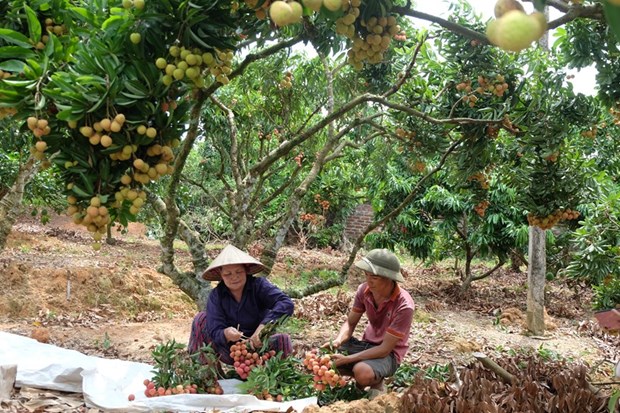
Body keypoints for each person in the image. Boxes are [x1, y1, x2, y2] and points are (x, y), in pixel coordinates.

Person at [322, 248, 415, 399]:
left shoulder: (404, 305)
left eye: (374, 277)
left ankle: (376, 381)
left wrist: (349, 359)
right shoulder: (364, 290)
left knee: (362, 372)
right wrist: (338, 340)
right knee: (324, 358)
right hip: (365, 344)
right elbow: (350, 323)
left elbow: (385, 349)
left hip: (388, 354)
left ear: (389, 278)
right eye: (366, 275)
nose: (368, 281)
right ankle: (364, 377)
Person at [188, 244, 295, 365]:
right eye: (228, 274)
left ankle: (276, 379)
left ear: (246, 270)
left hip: (260, 347)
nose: (234, 277)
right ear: (221, 275)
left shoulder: (259, 285)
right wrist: (226, 334)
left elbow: (286, 303)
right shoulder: (217, 295)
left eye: (238, 271)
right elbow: (215, 330)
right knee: (200, 319)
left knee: (283, 339)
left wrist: (262, 328)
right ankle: (208, 377)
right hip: (231, 351)